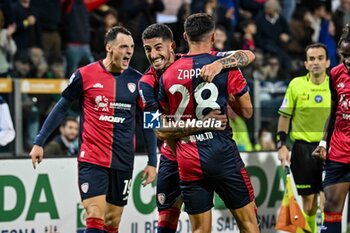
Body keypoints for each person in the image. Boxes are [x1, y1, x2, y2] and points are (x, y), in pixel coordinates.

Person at [29, 26, 157, 233]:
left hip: (123, 160)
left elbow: (149, 120)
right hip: (92, 159)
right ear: (109, 48)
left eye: (132, 47)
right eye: (123, 46)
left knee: (113, 221)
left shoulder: (139, 81)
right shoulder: (85, 75)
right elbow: (61, 108)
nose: (129, 51)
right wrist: (39, 141)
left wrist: (153, 161)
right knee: (95, 214)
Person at [140, 23, 255, 233]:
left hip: (193, 152)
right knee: (166, 220)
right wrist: (203, 124)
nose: (153, 55)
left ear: (173, 45)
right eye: (148, 50)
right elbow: (155, 127)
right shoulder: (146, 83)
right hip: (173, 154)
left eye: (158, 47)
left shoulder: (194, 62)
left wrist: (221, 65)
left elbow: (247, 54)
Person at [277, 42, 331, 233]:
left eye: (320, 58)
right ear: (306, 64)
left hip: (330, 149)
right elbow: (284, 117)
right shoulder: (296, 85)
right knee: (309, 205)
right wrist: (281, 145)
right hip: (303, 150)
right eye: (311, 59)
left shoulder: (335, 86)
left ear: (328, 62)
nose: (316, 62)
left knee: (328, 203)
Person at [312, 24, 350, 233]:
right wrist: (324, 142)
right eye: (344, 55)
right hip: (339, 151)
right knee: (331, 206)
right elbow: (334, 109)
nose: (348, 60)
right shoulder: (335, 74)